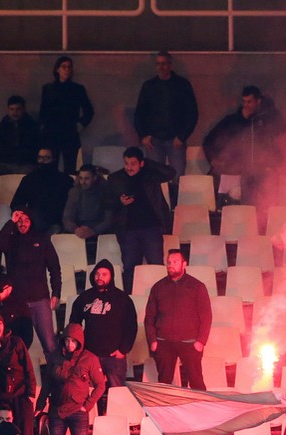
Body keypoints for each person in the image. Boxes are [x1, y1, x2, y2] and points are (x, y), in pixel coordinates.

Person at [0, 207, 62, 356]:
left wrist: (56, 293)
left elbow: (54, 268)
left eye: (26, 220)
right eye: (19, 220)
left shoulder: (42, 239)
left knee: (50, 344)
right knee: (16, 345)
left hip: (39, 299)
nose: (22, 223)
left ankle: (57, 371)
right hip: (17, 301)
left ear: (32, 222)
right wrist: (10, 222)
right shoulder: (11, 240)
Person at [37, 324, 106, 435]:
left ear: (79, 341)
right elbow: (47, 383)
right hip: (56, 410)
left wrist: (87, 406)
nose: (70, 344)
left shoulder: (89, 358)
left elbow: (101, 385)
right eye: (67, 340)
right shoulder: (54, 356)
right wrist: (39, 406)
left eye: (73, 341)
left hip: (78, 411)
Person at [107, 147, 176, 293]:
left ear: (141, 163)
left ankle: (159, 295)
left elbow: (171, 173)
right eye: (126, 163)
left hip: (152, 228)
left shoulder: (151, 175)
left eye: (133, 163)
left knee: (156, 266)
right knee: (130, 268)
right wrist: (120, 201)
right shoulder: (116, 178)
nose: (129, 167)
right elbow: (106, 202)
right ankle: (130, 298)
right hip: (128, 230)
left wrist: (148, 162)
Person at [69, 259, 137, 405]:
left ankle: (117, 417)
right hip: (90, 355)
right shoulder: (84, 298)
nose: (100, 277)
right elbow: (74, 324)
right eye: (97, 274)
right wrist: (79, 349)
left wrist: (123, 350)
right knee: (88, 394)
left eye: (104, 274)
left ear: (111, 276)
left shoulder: (122, 299)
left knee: (117, 394)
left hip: (114, 356)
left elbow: (131, 326)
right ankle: (93, 417)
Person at [144, 248, 211, 390]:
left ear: (184, 264)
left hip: (190, 342)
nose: (171, 265)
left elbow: (206, 316)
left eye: (175, 262)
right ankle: (164, 405)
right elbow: (149, 317)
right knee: (164, 383)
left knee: (196, 381)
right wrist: (152, 340)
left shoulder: (197, 286)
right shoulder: (158, 287)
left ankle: (201, 404)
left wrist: (201, 341)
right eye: (169, 262)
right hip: (163, 342)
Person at [202, 85, 282, 203]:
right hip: (235, 172)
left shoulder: (265, 121)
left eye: (249, 102)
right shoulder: (231, 120)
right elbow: (209, 141)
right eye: (244, 101)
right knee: (233, 204)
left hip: (258, 172)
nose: (246, 105)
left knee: (259, 204)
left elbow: (277, 142)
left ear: (258, 101)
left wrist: (273, 164)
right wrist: (213, 159)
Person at [133, 51, 198, 178]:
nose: (160, 67)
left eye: (163, 64)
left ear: (170, 65)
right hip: (154, 140)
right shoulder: (149, 86)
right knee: (154, 177)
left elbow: (192, 113)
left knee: (177, 176)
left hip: (175, 139)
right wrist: (143, 135)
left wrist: (182, 136)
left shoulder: (182, 85)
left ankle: (175, 193)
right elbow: (139, 113)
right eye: (158, 64)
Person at [40, 56, 94, 173]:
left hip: (69, 132)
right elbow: (43, 112)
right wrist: (43, 129)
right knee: (50, 166)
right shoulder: (48, 89)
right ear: (57, 69)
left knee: (70, 167)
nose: (67, 70)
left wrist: (80, 125)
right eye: (63, 67)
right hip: (51, 133)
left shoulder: (78, 89)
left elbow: (89, 110)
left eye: (69, 67)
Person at [0, 95, 43, 194]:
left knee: (32, 178)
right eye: (12, 109)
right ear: (8, 110)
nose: (15, 112)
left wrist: (35, 162)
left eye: (18, 109)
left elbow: (40, 147)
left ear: (23, 109)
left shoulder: (33, 128)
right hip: (4, 163)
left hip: (26, 164)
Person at [11, 147, 73, 232]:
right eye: (40, 158)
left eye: (46, 158)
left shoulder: (65, 180)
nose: (42, 161)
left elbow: (70, 206)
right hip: (34, 221)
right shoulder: (29, 179)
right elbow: (17, 203)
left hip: (57, 222)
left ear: (53, 159)